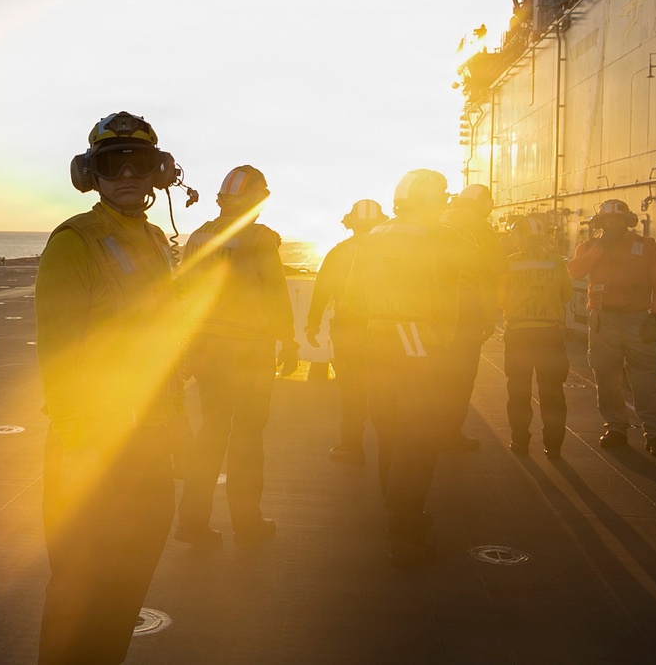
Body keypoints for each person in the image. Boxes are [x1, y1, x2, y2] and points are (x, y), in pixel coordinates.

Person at [35, 111, 186, 664]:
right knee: (79, 596)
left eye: (138, 162)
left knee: (124, 592)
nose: (125, 174)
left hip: (149, 443)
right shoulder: (75, 242)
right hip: (92, 447)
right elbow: (58, 353)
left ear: (159, 172)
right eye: (111, 164)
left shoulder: (154, 240)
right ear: (89, 174)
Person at [346, 169, 478, 567]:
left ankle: (398, 512)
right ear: (430, 201)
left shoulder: (374, 236)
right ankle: (404, 532)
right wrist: (465, 219)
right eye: (442, 198)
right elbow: (486, 265)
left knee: (389, 429)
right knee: (419, 436)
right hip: (417, 341)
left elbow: (352, 296)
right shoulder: (438, 234)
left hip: (378, 340)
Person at [175, 165, 299, 546]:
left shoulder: (198, 235)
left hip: (207, 349)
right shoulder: (259, 238)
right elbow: (275, 295)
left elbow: (185, 292)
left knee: (211, 432)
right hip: (248, 353)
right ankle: (247, 523)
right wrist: (289, 342)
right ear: (255, 200)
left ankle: (191, 523)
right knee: (247, 436)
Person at [566, 198, 656, 458]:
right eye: (608, 221)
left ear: (628, 221)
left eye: (618, 220)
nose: (613, 225)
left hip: (638, 320)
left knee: (645, 380)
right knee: (606, 378)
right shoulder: (589, 247)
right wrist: (600, 247)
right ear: (599, 223)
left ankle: (655, 435)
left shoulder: (646, 246)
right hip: (603, 321)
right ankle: (615, 427)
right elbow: (574, 272)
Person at [305, 199, 388, 466]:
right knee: (387, 387)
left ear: (350, 222)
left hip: (348, 328)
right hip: (385, 328)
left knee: (351, 387)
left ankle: (352, 445)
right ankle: (392, 447)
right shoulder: (391, 250)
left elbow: (321, 290)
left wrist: (313, 324)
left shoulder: (338, 252)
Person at [439, 184, 509, 450]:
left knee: (435, 375)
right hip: (468, 312)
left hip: (436, 309)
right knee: (462, 377)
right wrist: (488, 319)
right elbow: (497, 266)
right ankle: (450, 434)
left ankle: (426, 430)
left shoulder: (442, 219)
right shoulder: (480, 227)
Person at [499, 216, 573, 459]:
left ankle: (520, 441)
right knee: (552, 393)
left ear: (521, 236)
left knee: (518, 392)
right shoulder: (556, 262)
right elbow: (566, 294)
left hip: (518, 334)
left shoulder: (509, 263)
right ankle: (554, 446)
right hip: (549, 335)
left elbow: (500, 298)